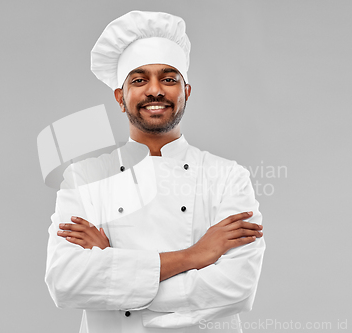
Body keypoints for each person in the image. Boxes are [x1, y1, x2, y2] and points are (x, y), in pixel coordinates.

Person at [45, 10, 265, 333]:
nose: (155, 90)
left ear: (186, 92)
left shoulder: (228, 177)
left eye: (168, 78)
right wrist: (194, 256)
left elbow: (238, 288)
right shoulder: (84, 178)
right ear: (121, 98)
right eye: (139, 79)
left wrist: (115, 268)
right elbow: (64, 281)